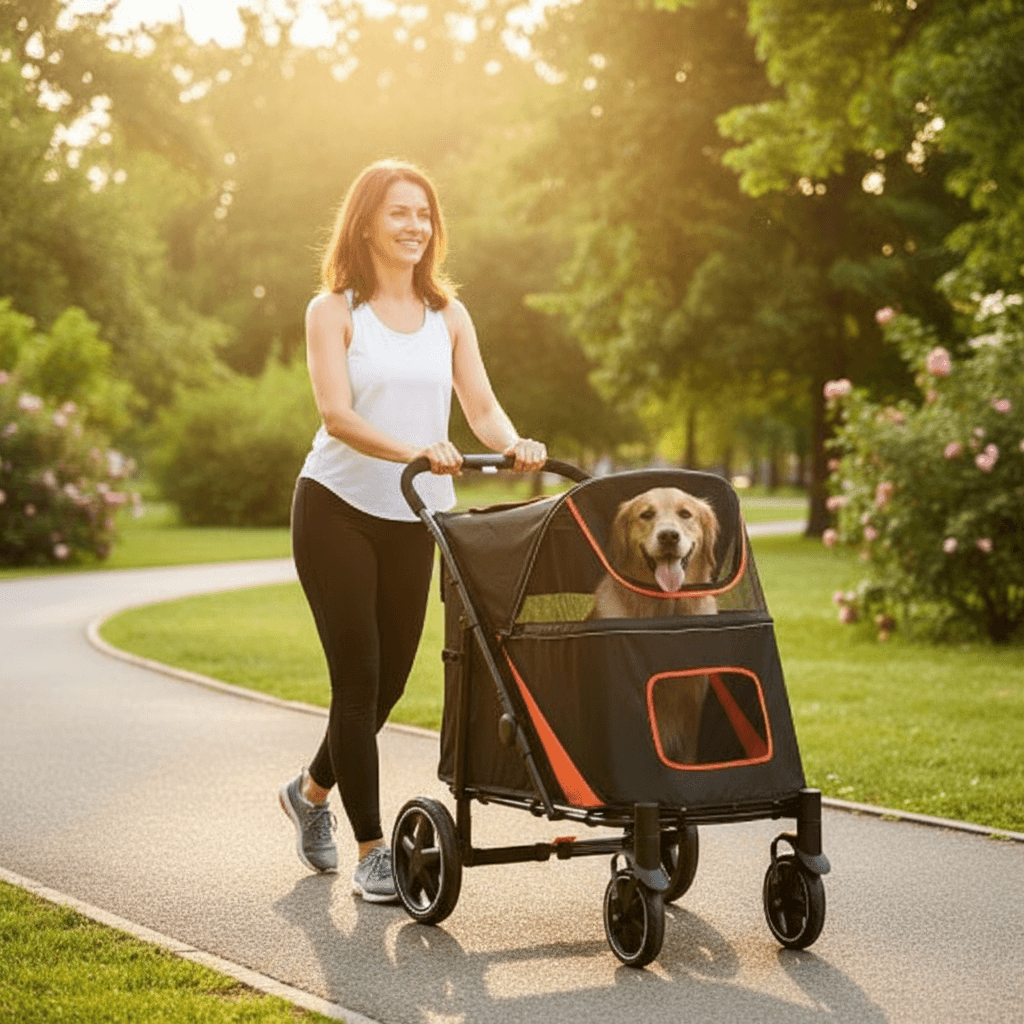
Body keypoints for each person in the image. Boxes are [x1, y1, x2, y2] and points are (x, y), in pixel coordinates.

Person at [279, 159, 547, 902]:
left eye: (424, 215)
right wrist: (416, 451)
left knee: (391, 681)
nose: (414, 226)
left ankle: (306, 794)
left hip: (414, 515)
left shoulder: (448, 316)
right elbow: (338, 416)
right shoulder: (333, 312)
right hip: (335, 507)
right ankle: (370, 850)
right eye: (399, 213)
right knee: (358, 680)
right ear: (365, 221)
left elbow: (481, 407)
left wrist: (516, 441)